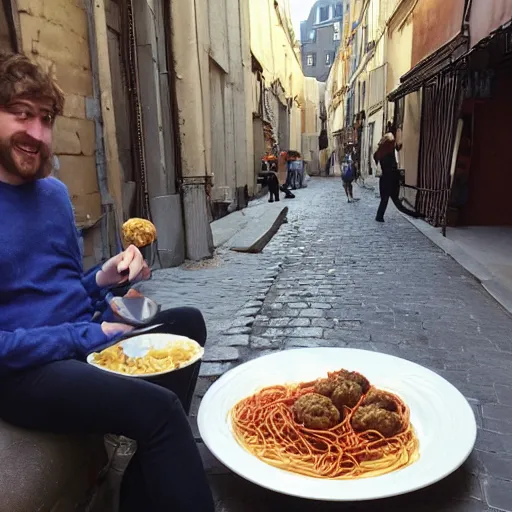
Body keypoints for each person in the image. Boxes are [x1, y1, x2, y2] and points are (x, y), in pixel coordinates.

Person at [0, 52, 214, 512]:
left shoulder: (53, 195)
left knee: (187, 323)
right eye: (20, 114)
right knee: (160, 412)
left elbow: (60, 291)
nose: (36, 134)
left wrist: (103, 280)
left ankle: (141, 483)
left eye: (46, 119)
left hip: (84, 334)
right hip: (24, 373)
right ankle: (157, 452)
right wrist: (89, 334)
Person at [373, 129, 420, 222]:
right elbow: (393, 167)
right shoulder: (390, 153)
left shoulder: (379, 153)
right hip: (391, 180)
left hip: (384, 180)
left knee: (385, 200)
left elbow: (378, 160)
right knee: (396, 202)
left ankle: (379, 217)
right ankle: (416, 214)